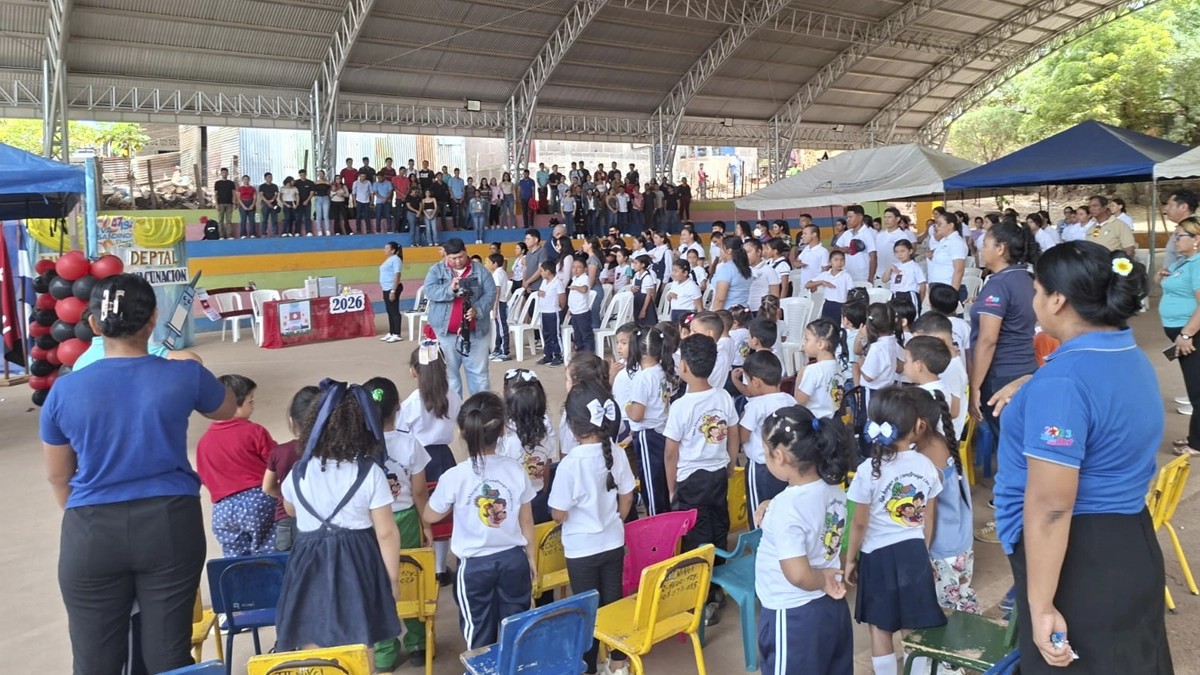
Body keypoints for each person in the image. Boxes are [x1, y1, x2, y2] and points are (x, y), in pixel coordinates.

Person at [990, 241, 1172, 673]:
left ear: (1057, 299)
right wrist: (1036, 385)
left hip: (1078, 561)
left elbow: (1052, 507)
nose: (1035, 299)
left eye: (1037, 290)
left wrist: (1041, 605)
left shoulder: (1064, 381)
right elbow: (1095, 394)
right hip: (1130, 542)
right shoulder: (1127, 353)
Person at [41, 274, 235, 673]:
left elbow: (59, 477)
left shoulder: (64, 390)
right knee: (168, 655)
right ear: (153, 320)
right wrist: (194, 363)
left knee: (95, 661)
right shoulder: (183, 374)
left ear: (94, 325)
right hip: (169, 524)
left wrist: (87, 517)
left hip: (91, 530)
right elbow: (227, 408)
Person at [273, 380, 402, 657]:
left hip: (308, 565)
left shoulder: (299, 472)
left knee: (311, 639)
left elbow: (292, 509)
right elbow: (386, 533)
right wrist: (392, 579)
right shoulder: (370, 473)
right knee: (359, 643)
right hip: (358, 564)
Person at [844, 385, 947, 675]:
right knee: (915, 627)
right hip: (913, 553)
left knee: (881, 627)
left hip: (877, 557)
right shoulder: (926, 465)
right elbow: (929, 516)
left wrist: (851, 559)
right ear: (916, 427)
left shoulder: (868, 470)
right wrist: (923, 551)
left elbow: (860, 523)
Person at [424, 392, 536, 651]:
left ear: (462, 433)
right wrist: (531, 558)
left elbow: (431, 515)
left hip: (474, 567)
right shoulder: (515, 469)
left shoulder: (454, 476)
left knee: (478, 633)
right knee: (516, 629)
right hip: (514, 560)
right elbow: (527, 520)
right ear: (502, 430)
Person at [753, 406, 855, 675]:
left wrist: (820, 579)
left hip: (794, 616)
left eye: (766, 454)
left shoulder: (789, 507)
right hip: (831, 609)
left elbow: (797, 574)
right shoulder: (832, 489)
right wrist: (771, 504)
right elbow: (809, 513)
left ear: (780, 456)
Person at [549, 381, 635, 675]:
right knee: (613, 604)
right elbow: (627, 495)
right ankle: (619, 664)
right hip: (612, 542)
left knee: (586, 611)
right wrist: (617, 519)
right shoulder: (616, 453)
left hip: (581, 551)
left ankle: (588, 667)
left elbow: (558, 513)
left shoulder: (570, 465)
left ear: (572, 427)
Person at [665, 334, 736, 619]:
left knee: (696, 538)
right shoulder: (723, 395)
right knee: (719, 528)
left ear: (683, 366)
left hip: (690, 480)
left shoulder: (682, 406)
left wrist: (672, 489)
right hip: (718, 474)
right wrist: (730, 465)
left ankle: (701, 598)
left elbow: (671, 453)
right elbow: (733, 433)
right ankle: (717, 587)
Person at [365, 377, 432, 671]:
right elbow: (419, 491)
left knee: (377, 582)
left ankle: (384, 651)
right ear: (398, 408)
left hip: (372, 523)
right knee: (410, 575)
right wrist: (426, 524)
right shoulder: (409, 443)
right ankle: (417, 643)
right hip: (405, 519)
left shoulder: (360, 447)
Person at [968, 220, 1039, 445]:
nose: (982, 249)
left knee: (1010, 444)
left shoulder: (999, 284)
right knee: (1022, 440)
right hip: (1026, 368)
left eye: (986, 244)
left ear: (1000, 249)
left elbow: (988, 340)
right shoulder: (1027, 278)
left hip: (1000, 374)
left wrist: (975, 386)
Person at [400, 347, 462, 586]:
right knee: (443, 511)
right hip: (444, 460)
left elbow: (403, 433)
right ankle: (439, 568)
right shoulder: (452, 396)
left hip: (419, 461)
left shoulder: (412, 403)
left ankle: (424, 565)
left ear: (415, 371)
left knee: (422, 511)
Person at [197, 374, 277, 556]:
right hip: (258, 500)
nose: (253, 406)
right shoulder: (254, 431)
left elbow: (204, 477)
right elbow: (274, 462)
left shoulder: (204, 442)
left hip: (222, 509)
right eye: (251, 401)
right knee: (269, 551)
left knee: (235, 560)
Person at [423, 238, 497, 397]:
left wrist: (478, 309)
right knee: (450, 376)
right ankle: (453, 412)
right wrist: (449, 289)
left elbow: (491, 293)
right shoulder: (436, 271)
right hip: (446, 334)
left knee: (479, 376)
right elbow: (430, 291)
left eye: (461, 257)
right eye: (453, 258)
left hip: (476, 333)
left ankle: (481, 412)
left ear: (466, 252)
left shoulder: (481, 271)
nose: (457, 261)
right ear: (445, 256)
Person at [624, 325, 677, 517]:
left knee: (651, 483)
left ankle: (657, 521)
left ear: (636, 349)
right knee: (662, 479)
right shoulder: (662, 371)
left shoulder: (642, 378)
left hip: (648, 435)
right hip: (662, 430)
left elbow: (637, 414)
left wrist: (626, 407)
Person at [1158, 215, 1200, 453]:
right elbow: (1170, 281)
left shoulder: (1198, 264)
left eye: (1180, 235)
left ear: (1196, 239)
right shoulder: (1183, 262)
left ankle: (1197, 443)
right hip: (1181, 333)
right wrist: (1163, 276)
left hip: (1191, 334)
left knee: (1197, 388)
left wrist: (1186, 334)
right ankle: (1196, 435)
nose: (1175, 240)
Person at [735, 350, 796, 511]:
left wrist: (740, 420)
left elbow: (743, 437)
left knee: (759, 511)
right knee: (782, 507)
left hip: (761, 467)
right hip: (788, 463)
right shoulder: (790, 400)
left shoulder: (756, 405)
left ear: (755, 382)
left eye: (747, 381)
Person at [262, 385, 321, 552]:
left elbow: (267, 487)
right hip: (321, 519)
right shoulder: (333, 453)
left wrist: (287, 496)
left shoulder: (280, 452)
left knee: (289, 571)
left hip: (287, 520)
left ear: (291, 421)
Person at [499, 370, 560, 525]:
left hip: (514, 498)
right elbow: (546, 465)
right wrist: (544, 488)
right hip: (537, 494)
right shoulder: (545, 434)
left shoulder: (506, 438)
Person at [795, 318, 848, 419]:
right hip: (832, 421)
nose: (803, 343)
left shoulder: (813, 370)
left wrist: (799, 376)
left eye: (807, 339)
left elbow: (799, 403)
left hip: (814, 424)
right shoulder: (837, 366)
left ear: (821, 344)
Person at [926, 211, 968, 299]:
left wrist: (953, 294)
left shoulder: (956, 242)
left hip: (947, 287)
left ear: (950, 225)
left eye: (940, 224)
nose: (936, 226)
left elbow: (959, 270)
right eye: (936, 224)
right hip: (937, 285)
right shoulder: (943, 240)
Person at [834, 205, 877, 283]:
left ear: (860, 218)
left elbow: (873, 257)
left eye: (850, 217)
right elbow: (835, 248)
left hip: (863, 276)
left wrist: (870, 278)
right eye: (847, 217)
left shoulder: (868, 234)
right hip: (847, 275)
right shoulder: (847, 233)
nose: (847, 220)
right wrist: (842, 250)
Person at [809, 250, 853, 324]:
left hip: (841, 305)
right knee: (826, 326)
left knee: (838, 327)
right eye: (836, 260)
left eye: (842, 260)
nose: (839, 263)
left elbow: (850, 292)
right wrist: (822, 282)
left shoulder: (846, 276)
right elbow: (808, 285)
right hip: (828, 304)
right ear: (830, 262)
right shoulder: (825, 275)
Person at [535, 260, 566, 367]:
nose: (541, 273)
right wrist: (540, 293)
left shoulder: (557, 282)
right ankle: (548, 355)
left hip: (553, 312)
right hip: (544, 311)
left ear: (548, 271)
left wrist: (559, 307)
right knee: (546, 334)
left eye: (542, 271)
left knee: (555, 334)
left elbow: (562, 297)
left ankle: (558, 355)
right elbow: (540, 292)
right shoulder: (544, 282)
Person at [712, 235, 753, 310]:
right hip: (743, 312)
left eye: (721, 248)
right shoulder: (746, 268)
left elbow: (720, 299)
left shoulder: (726, 269)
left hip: (728, 313)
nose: (720, 250)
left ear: (729, 250)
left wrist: (713, 317)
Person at [486, 253, 512, 362]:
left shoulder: (497, 273)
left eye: (488, 262)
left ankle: (504, 351)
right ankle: (498, 348)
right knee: (498, 327)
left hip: (500, 303)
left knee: (502, 327)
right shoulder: (499, 272)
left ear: (494, 263)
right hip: (499, 303)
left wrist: (495, 307)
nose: (486, 264)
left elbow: (497, 291)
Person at [379, 242, 404, 343]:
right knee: (389, 311)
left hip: (392, 288)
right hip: (386, 288)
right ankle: (392, 332)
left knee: (394, 310)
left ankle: (397, 333)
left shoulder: (396, 260)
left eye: (386, 249)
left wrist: (393, 290)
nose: (385, 250)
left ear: (393, 250)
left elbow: (397, 275)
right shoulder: (389, 260)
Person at [213, 167, 237, 239]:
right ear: (221, 173)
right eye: (223, 172)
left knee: (228, 220)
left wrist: (234, 203)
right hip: (220, 203)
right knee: (220, 220)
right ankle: (221, 236)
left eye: (226, 172)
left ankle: (229, 235)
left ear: (228, 173)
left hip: (229, 203)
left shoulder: (231, 183)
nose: (224, 174)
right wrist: (216, 204)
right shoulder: (217, 183)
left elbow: (233, 193)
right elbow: (215, 194)